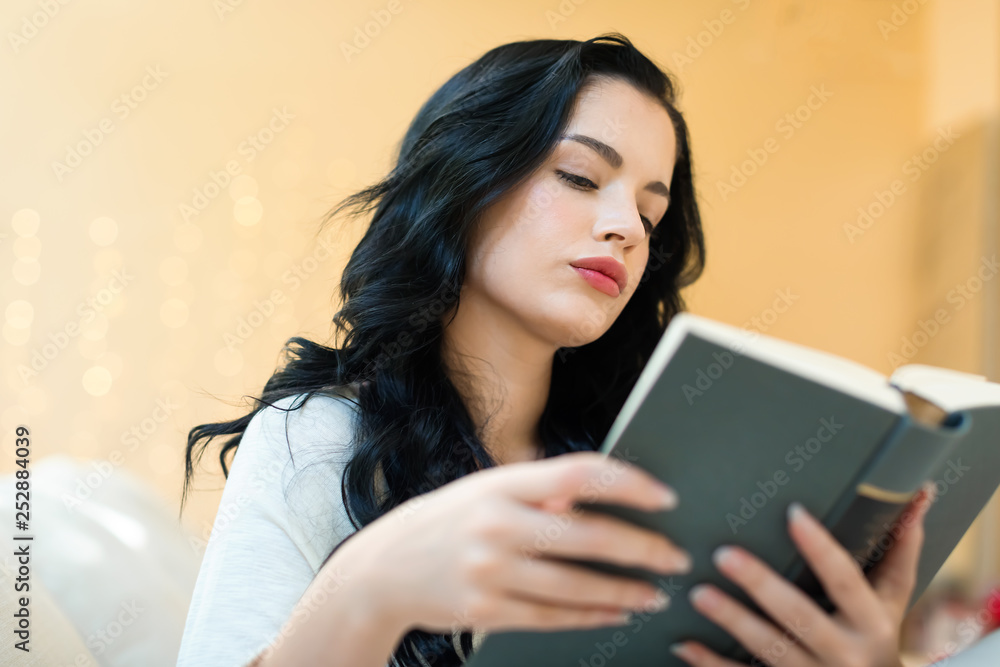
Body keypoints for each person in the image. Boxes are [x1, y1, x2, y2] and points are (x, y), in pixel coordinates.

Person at [175, 33, 975, 667]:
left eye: (651, 215)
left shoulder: (650, 469)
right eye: (582, 177)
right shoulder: (317, 439)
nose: (626, 227)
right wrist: (369, 583)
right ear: (466, 181)